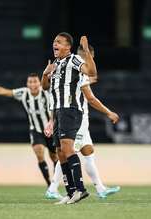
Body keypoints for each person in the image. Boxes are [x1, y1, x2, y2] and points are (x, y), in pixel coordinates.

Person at [45, 44, 121, 200]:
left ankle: (100, 188)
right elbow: (91, 99)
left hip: (80, 119)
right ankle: (54, 188)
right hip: (75, 119)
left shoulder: (71, 70)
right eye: (90, 58)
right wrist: (108, 112)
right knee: (67, 151)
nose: (91, 61)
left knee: (88, 152)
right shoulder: (77, 68)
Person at [0, 73, 59, 190]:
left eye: (35, 81)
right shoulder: (24, 93)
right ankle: (50, 185)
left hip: (50, 130)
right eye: (30, 82)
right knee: (39, 152)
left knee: (55, 157)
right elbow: (3, 91)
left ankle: (56, 182)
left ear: (39, 82)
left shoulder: (46, 92)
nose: (33, 84)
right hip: (35, 130)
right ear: (27, 84)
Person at [41, 33, 97, 204]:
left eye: (58, 42)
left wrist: (86, 50)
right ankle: (70, 191)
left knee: (67, 149)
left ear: (68, 46)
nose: (54, 44)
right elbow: (45, 87)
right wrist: (45, 74)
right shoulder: (55, 64)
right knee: (59, 152)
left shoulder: (73, 60)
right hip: (58, 111)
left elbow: (91, 71)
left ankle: (81, 189)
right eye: (54, 42)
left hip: (70, 109)